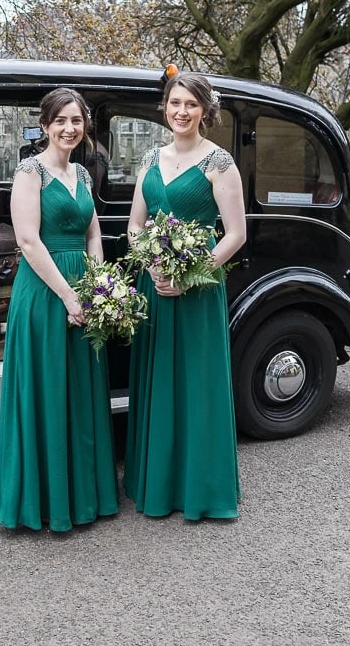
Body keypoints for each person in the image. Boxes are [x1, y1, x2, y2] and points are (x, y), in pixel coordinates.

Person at [0, 88, 119, 532]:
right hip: (46, 293)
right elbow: (28, 241)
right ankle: (46, 501)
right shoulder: (30, 173)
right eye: (61, 120)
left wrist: (100, 286)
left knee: (80, 391)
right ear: (45, 126)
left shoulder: (83, 174)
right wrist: (69, 296)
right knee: (47, 389)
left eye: (77, 121)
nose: (70, 128)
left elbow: (93, 235)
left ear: (85, 126)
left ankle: (84, 495)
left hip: (83, 288)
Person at [123, 72, 247, 520]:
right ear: (165, 107)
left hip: (196, 293)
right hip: (155, 287)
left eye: (190, 105)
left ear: (205, 111)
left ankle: (201, 489)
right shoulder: (151, 158)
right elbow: (135, 226)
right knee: (158, 382)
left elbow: (235, 234)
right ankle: (156, 484)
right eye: (174, 103)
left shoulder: (219, 163)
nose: (180, 111)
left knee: (196, 385)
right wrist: (154, 265)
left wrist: (191, 275)